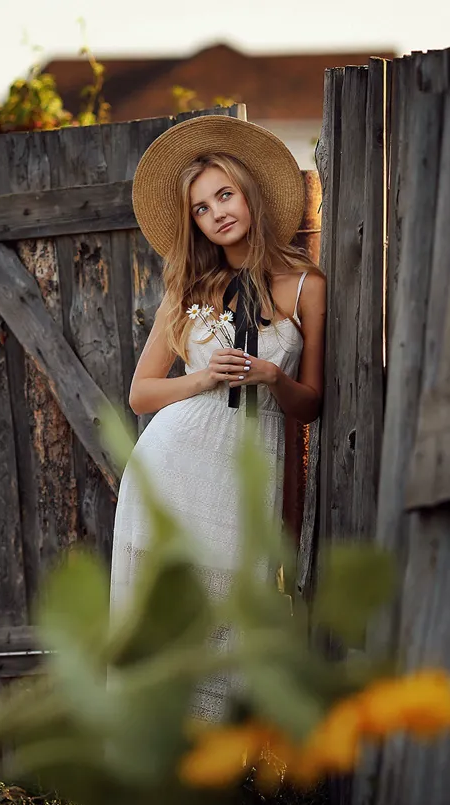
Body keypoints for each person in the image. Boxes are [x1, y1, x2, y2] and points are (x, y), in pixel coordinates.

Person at [110, 114, 327, 722]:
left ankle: (228, 781)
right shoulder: (187, 288)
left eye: (223, 195)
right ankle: (154, 765)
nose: (216, 214)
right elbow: (140, 395)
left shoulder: (306, 286)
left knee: (231, 609)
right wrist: (203, 377)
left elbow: (312, 403)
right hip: (171, 467)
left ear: (248, 193)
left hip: (246, 471)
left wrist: (273, 377)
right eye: (201, 209)